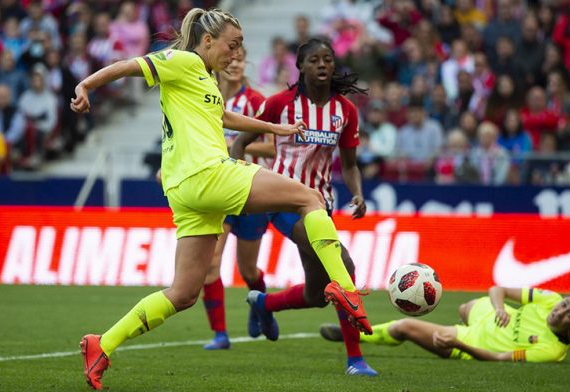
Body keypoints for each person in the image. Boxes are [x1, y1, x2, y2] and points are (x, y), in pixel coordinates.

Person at [70, 9, 371, 390]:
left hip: (186, 193)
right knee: (310, 198)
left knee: (182, 294)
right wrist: (85, 85)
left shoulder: (203, 79)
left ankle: (103, 343)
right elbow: (129, 65)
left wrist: (272, 126)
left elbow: (223, 117)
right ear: (208, 40)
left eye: (241, 47)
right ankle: (344, 288)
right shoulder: (182, 60)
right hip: (207, 174)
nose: (236, 54)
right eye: (232, 45)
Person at [231, 38, 377, 376]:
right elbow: (241, 141)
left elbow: (350, 164)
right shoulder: (280, 103)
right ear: (301, 66)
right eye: (314, 60)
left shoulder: (345, 111)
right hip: (282, 200)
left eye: (327, 59)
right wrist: (240, 180)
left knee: (316, 294)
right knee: (344, 266)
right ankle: (355, 359)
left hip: (320, 205)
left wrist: (358, 194)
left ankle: (263, 303)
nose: (322, 65)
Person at [320, 286, 570, 363]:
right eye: (564, 304)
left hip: (472, 340)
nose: (560, 311)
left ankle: (358, 336)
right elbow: (497, 289)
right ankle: (466, 317)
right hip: (489, 317)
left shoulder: (551, 350)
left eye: (568, 315)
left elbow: (498, 358)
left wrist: (459, 343)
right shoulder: (549, 300)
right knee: (466, 306)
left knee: (404, 327)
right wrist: (500, 308)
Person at [199, 45, 272, 351]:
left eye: (242, 59)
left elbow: (270, 149)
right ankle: (220, 334)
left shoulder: (255, 100)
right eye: (232, 58)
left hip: (250, 190)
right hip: (218, 190)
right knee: (211, 264)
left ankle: (260, 305)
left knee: (248, 271)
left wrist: (234, 143)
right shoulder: (203, 94)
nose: (235, 64)